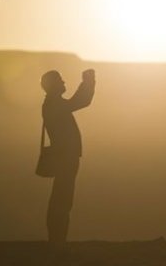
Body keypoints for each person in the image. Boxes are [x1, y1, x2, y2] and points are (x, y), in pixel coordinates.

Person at [40, 68, 95, 252]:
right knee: (62, 199)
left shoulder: (52, 104)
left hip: (64, 156)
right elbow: (81, 101)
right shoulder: (54, 105)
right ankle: (57, 241)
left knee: (61, 198)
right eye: (60, 81)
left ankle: (57, 240)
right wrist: (88, 82)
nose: (64, 83)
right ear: (53, 86)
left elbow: (78, 102)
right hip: (65, 157)